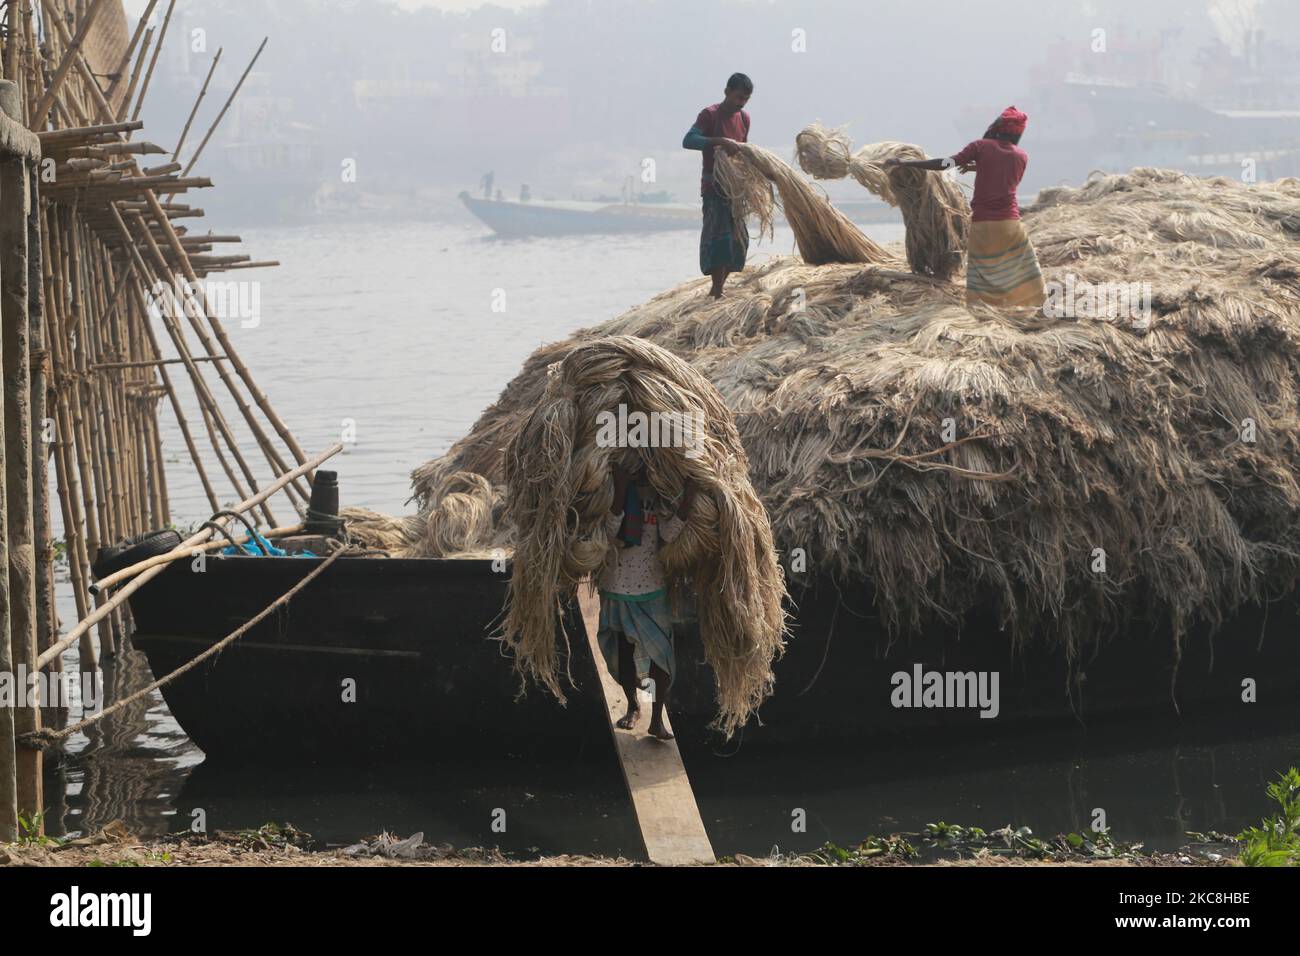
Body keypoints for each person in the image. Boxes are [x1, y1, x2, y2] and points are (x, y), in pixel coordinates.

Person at [886, 106, 1046, 309]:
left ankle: (984, 310)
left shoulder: (981, 146)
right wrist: (978, 166)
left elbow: (946, 163)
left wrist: (907, 163)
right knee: (1023, 267)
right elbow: (1005, 175)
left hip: (984, 223)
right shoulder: (1021, 156)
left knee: (983, 270)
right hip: (1011, 222)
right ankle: (1033, 307)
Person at [597, 460, 698, 740]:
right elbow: (609, 530)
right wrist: (620, 487)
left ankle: (656, 719)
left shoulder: (659, 493)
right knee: (624, 654)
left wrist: (688, 497)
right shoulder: (608, 488)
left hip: (652, 587)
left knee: (661, 656)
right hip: (617, 585)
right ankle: (632, 706)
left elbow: (666, 533)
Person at [683, 73, 753, 298]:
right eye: (738, 97)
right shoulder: (710, 115)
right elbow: (689, 140)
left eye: (745, 99)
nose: (740, 103)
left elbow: (744, 150)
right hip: (714, 187)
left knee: (738, 239)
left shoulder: (744, 119)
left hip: (735, 189)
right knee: (718, 237)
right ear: (727, 92)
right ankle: (717, 289)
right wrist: (719, 142)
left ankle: (720, 286)